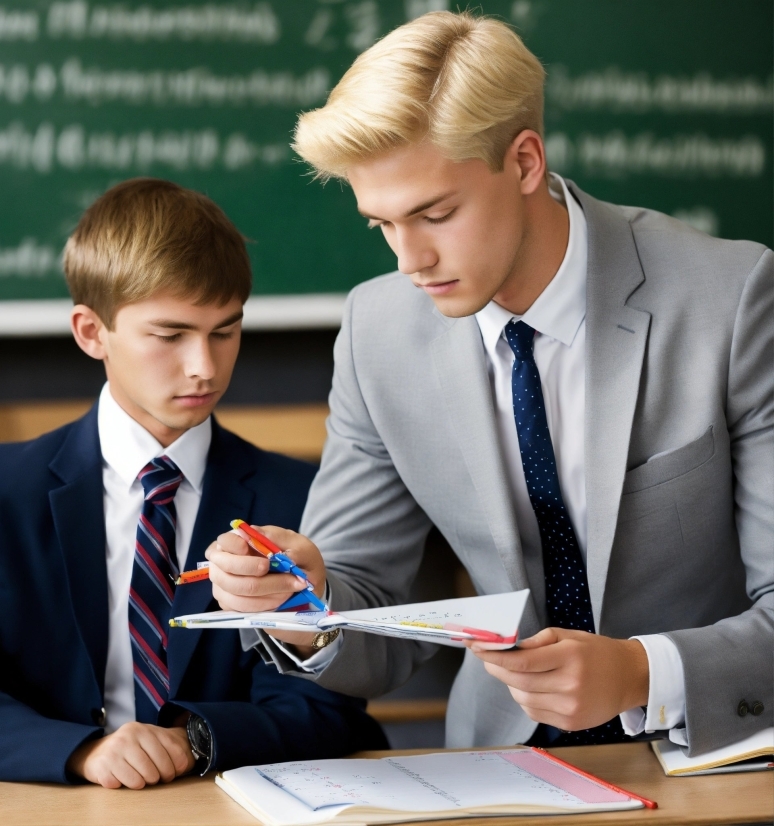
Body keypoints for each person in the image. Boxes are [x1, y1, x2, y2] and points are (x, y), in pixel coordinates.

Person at [206, 12, 773, 756]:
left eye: (435, 214)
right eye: (381, 224)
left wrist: (641, 672)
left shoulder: (731, 298)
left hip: (709, 757)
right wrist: (297, 604)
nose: (409, 259)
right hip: (497, 765)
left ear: (526, 161)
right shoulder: (379, 332)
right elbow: (369, 619)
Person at [0, 178, 385, 787]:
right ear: (90, 332)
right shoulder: (7, 492)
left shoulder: (304, 499)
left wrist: (196, 739)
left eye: (225, 331)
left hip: (230, 803)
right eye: (171, 335)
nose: (204, 366)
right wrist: (80, 750)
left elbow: (326, 711)